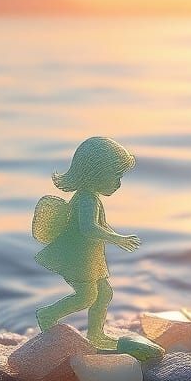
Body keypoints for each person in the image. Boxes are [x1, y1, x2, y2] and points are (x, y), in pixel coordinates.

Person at [33, 136, 139, 349]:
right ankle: (47, 315)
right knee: (87, 296)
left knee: (104, 294)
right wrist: (117, 239)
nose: (119, 183)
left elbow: (101, 225)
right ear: (96, 173)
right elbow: (88, 228)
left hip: (89, 257)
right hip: (79, 258)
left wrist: (115, 236)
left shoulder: (91, 197)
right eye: (116, 176)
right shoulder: (86, 199)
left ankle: (96, 335)